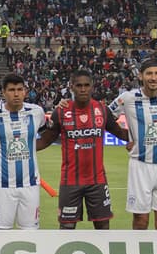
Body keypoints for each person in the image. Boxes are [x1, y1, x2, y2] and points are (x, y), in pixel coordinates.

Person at [37, 69, 130, 230]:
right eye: (78, 85)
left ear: (92, 87)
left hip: (97, 181)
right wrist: (21, 151)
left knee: (103, 227)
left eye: (86, 85)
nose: (83, 89)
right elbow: (46, 140)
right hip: (70, 182)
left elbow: (121, 133)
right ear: (71, 87)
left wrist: (144, 139)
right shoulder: (61, 112)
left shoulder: (102, 109)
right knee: (66, 227)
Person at [109, 58, 157, 230]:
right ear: (141, 76)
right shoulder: (127, 98)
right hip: (140, 166)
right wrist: (125, 136)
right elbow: (105, 116)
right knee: (141, 220)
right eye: (149, 73)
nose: (153, 77)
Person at [0, 74, 46, 230]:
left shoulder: (36, 112)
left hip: (31, 184)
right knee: (0, 232)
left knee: (31, 232)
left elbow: (48, 135)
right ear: (3, 92)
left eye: (19, 89)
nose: (16, 94)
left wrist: (31, 148)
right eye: (11, 90)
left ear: (25, 91)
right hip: (4, 185)